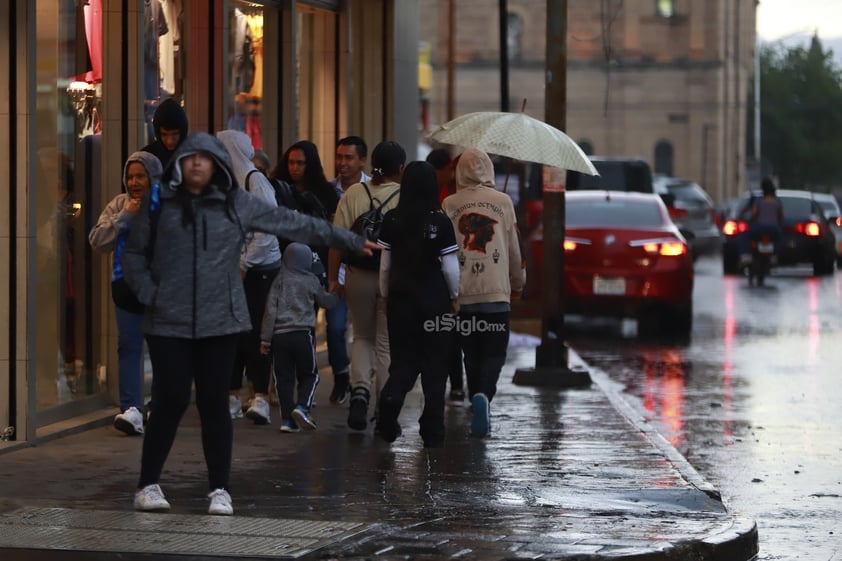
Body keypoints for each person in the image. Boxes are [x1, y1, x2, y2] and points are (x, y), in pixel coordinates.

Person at [123, 131, 375, 516]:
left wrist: (351, 241)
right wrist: (148, 293)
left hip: (220, 320)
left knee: (214, 404)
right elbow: (136, 253)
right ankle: (148, 484)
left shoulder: (235, 202)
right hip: (168, 321)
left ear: (217, 166)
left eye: (205, 160)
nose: (196, 165)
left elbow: (293, 223)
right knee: (171, 400)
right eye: (191, 158)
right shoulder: (160, 203)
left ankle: (220, 489)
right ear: (181, 164)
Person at [441, 148, 526, 438]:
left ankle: (475, 394)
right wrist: (518, 282)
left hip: (462, 295)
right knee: (495, 353)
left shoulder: (450, 204)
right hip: (496, 293)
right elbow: (514, 248)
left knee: (471, 353)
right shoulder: (503, 202)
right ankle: (484, 396)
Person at [376, 161, 459, 447]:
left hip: (400, 299)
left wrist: (384, 296)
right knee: (436, 366)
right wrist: (455, 297)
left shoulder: (392, 220)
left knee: (403, 363)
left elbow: (385, 266)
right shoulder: (441, 221)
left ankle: (389, 404)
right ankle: (432, 430)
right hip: (435, 300)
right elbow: (450, 268)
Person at [329, 141, 405, 431]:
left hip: (358, 274)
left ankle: (359, 392)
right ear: (400, 168)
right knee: (386, 343)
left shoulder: (353, 193)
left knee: (361, 336)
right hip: (392, 279)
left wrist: (334, 278)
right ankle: (385, 406)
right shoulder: (403, 196)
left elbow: (337, 241)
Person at [88, 151, 163, 435]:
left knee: (161, 351)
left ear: (152, 177)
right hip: (126, 288)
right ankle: (131, 409)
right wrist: (124, 217)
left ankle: (158, 406)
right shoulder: (119, 205)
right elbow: (97, 241)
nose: (134, 182)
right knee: (128, 348)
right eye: (130, 177)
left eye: (140, 176)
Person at [216, 130, 282, 424]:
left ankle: (259, 397)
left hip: (260, 271)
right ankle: (231, 395)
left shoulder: (256, 182)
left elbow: (266, 231)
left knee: (257, 333)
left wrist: (244, 264)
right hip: (232, 269)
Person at [260, 243, 338, 432]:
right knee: (310, 375)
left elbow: (270, 310)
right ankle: (302, 406)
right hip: (302, 335)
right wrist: (336, 296)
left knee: (284, 379)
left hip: (279, 338)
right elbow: (325, 301)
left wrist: (265, 339)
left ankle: (287, 420)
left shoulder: (279, 280)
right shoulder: (310, 279)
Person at [326, 136, 371, 404]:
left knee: (366, 333)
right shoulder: (328, 190)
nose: (342, 163)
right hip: (338, 270)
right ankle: (342, 375)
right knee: (334, 327)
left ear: (362, 160)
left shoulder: (371, 190)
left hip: (365, 271)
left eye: (349, 158)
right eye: (339, 157)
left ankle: (362, 381)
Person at [426, 148, 465, 402]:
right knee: (450, 331)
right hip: (445, 265)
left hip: (461, 262)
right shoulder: (436, 194)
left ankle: (459, 383)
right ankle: (456, 384)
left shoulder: (456, 193)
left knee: (457, 331)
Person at [738, 177, 784, 263]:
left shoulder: (759, 201)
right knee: (780, 239)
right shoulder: (777, 202)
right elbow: (780, 216)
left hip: (759, 228)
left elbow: (754, 214)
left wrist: (749, 220)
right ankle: (775, 255)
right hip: (774, 229)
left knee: (744, 235)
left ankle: (746, 255)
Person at [141, 97, 188, 168]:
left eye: (174, 134)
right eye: (164, 134)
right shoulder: (146, 158)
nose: (170, 141)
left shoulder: (193, 157)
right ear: (158, 133)